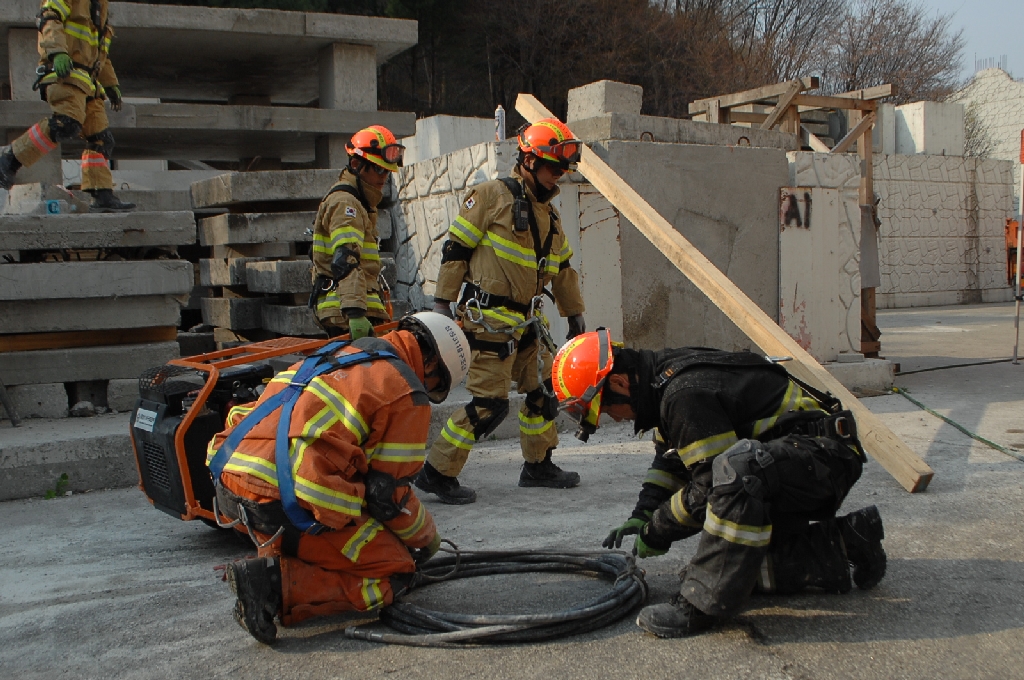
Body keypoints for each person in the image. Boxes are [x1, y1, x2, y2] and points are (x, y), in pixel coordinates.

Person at [552, 330, 887, 638]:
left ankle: (701, 607)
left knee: (737, 474)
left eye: (607, 410)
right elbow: (673, 458)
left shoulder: (683, 394)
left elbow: (710, 485)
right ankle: (850, 541)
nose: (616, 418)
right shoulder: (663, 381)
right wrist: (643, 513)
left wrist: (658, 529)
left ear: (621, 382)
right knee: (740, 571)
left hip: (823, 460)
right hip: (798, 463)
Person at [206, 312, 471, 644]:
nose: (428, 390)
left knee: (328, 515)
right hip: (284, 500)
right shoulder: (406, 392)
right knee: (397, 571)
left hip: (230, 484)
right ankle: (274, 584)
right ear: (431, 365)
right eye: (436, 385)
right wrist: (425, 538)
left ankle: (270, 568)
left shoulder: (335, 355)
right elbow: (388, 497)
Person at [415, 118, 587, 505]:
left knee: (542, 395)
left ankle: (538, 465)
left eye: (562, 169)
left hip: (526, 324)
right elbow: (455, 249)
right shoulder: (492, 196)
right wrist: (442, 304)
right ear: (528, 160)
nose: (557, 176)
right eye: (551, 167)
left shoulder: (551, 216)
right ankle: (437, 472)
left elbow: (562, 271)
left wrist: (575, 315)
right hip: (486, 324)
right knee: (488, 407)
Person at [0, 0, 135, 212]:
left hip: (89, 83)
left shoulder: (100, 6)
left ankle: (102, 195)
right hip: (66, 74)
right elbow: (49, 17)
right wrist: (57, 53)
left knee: (101, 138)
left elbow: (100, 52)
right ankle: (9, 158)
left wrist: (111, 84)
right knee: (66, 124)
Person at [308, 125, 403, 339]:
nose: (384, 177)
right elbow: (346, 260)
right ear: (356, 165)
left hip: (355, 307)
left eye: (387, 170)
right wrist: (355, 313)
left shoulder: (359, 203)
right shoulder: (345, 203)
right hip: (347, 312)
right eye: (378, 169)